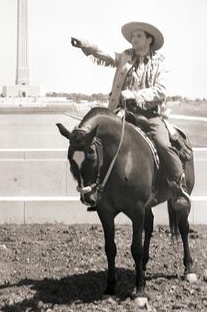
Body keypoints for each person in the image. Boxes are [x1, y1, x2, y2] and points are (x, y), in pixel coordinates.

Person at [71, 21, 190, 210]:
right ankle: (99, 191)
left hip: (150, 116)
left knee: (163, 143)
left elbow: (161, 90)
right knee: (99, 144)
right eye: (132, 36)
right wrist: (87, 44)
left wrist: (135, 95)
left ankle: (179, 189)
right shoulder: (126, 57)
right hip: (123, 114)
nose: (133, 39)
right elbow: (106, 54)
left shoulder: (160, 63)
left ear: (149, 40)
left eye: (138, 36)